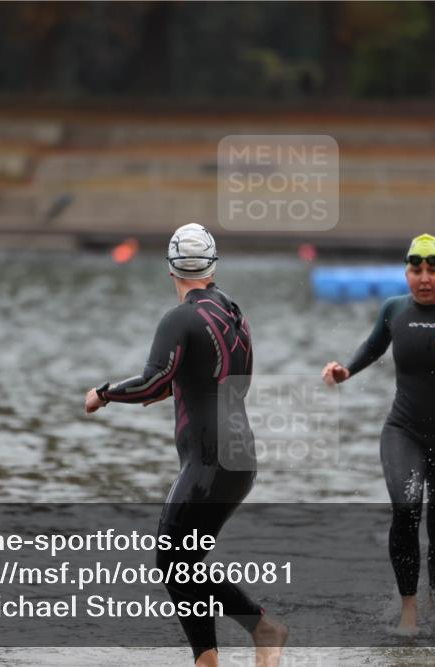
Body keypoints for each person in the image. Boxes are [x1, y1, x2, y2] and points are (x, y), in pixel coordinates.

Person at [85, 223, 287, 667]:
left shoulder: (180, 318)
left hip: (209, 459)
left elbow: (153, 379)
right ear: (212, 266)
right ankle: (216, 655)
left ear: (170, 269)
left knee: (173, 560)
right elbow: (202, 377)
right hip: (241, 456)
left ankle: (259, 630)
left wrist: (104, 393)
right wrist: (162, 390)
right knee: (186, 560)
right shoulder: (234, 313)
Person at [321, 233, 435, 632]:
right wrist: (345, 370)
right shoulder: (393, 310)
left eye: (432, 269)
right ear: (407, 272)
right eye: (416, 269)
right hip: (403, 430)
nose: (424, 277)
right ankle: (409, 612)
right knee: (405, 510)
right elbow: (372, 348)